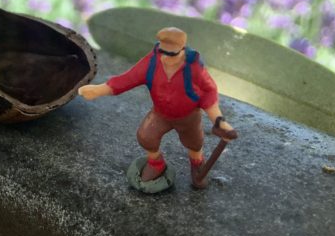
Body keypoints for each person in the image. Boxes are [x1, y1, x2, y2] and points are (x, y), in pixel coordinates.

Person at [78, 26, 237, 189]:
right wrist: (99, 90)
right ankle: (156, 163)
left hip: (188, 116)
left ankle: (197, 162)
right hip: (160, 113)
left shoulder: (193, 68)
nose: (166, 58)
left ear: (182, 50)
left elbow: (209, 91)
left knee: (194, 142)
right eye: (163, 52)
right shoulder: (152, 62)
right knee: (146, 136)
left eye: (172, 54)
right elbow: (128, 79)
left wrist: (218, 120)